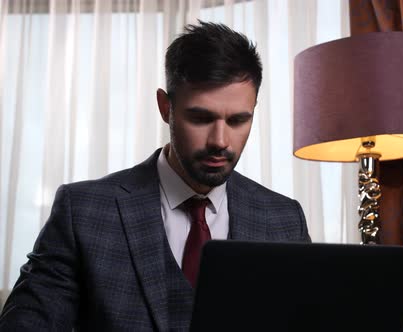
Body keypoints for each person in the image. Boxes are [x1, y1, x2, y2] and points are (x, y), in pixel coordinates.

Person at [0, 21, 310, 331]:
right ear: (165, 107)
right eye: (201, 118)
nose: (220, 140)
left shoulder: (285, 219)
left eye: (238, 120)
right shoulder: (81, 211)